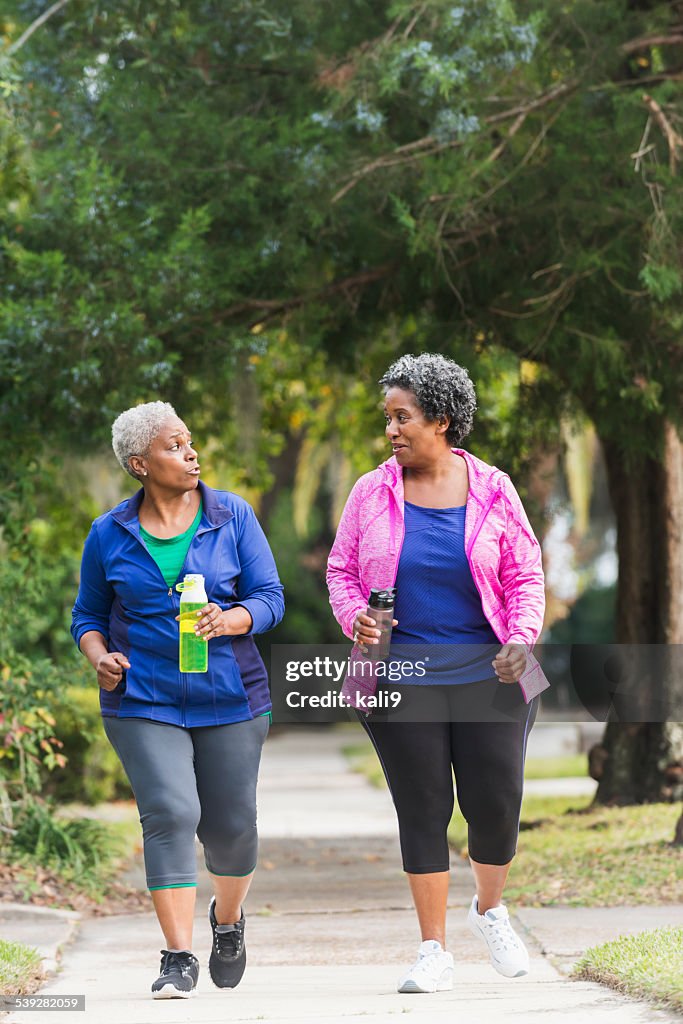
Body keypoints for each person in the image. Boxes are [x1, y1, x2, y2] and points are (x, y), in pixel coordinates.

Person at [326, 353, 549, 994]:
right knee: (423, 806)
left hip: (494, 671)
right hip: (401, 674)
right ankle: (433, 949)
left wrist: (520, 637)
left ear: (442, 421)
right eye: (388, 418)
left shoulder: (494, 488)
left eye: (404, 417)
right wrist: (356, 619)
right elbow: (341, 571)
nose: (392, 429)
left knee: (496, 803)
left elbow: (525, 574)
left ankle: (489, 908)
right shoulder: (372, 491)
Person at [71, 401, 284, 999]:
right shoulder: (109, 533)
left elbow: (271, 597)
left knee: (232, 826)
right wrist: (98, 655)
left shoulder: (232, 515)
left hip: (232, 695)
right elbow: (87, 614)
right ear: (140, 464)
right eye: (174, 445)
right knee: (169, 812)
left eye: (190, 442)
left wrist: (235, 617)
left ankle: (227, 920)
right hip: (142, 696)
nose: (190, 454)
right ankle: (176, 955)